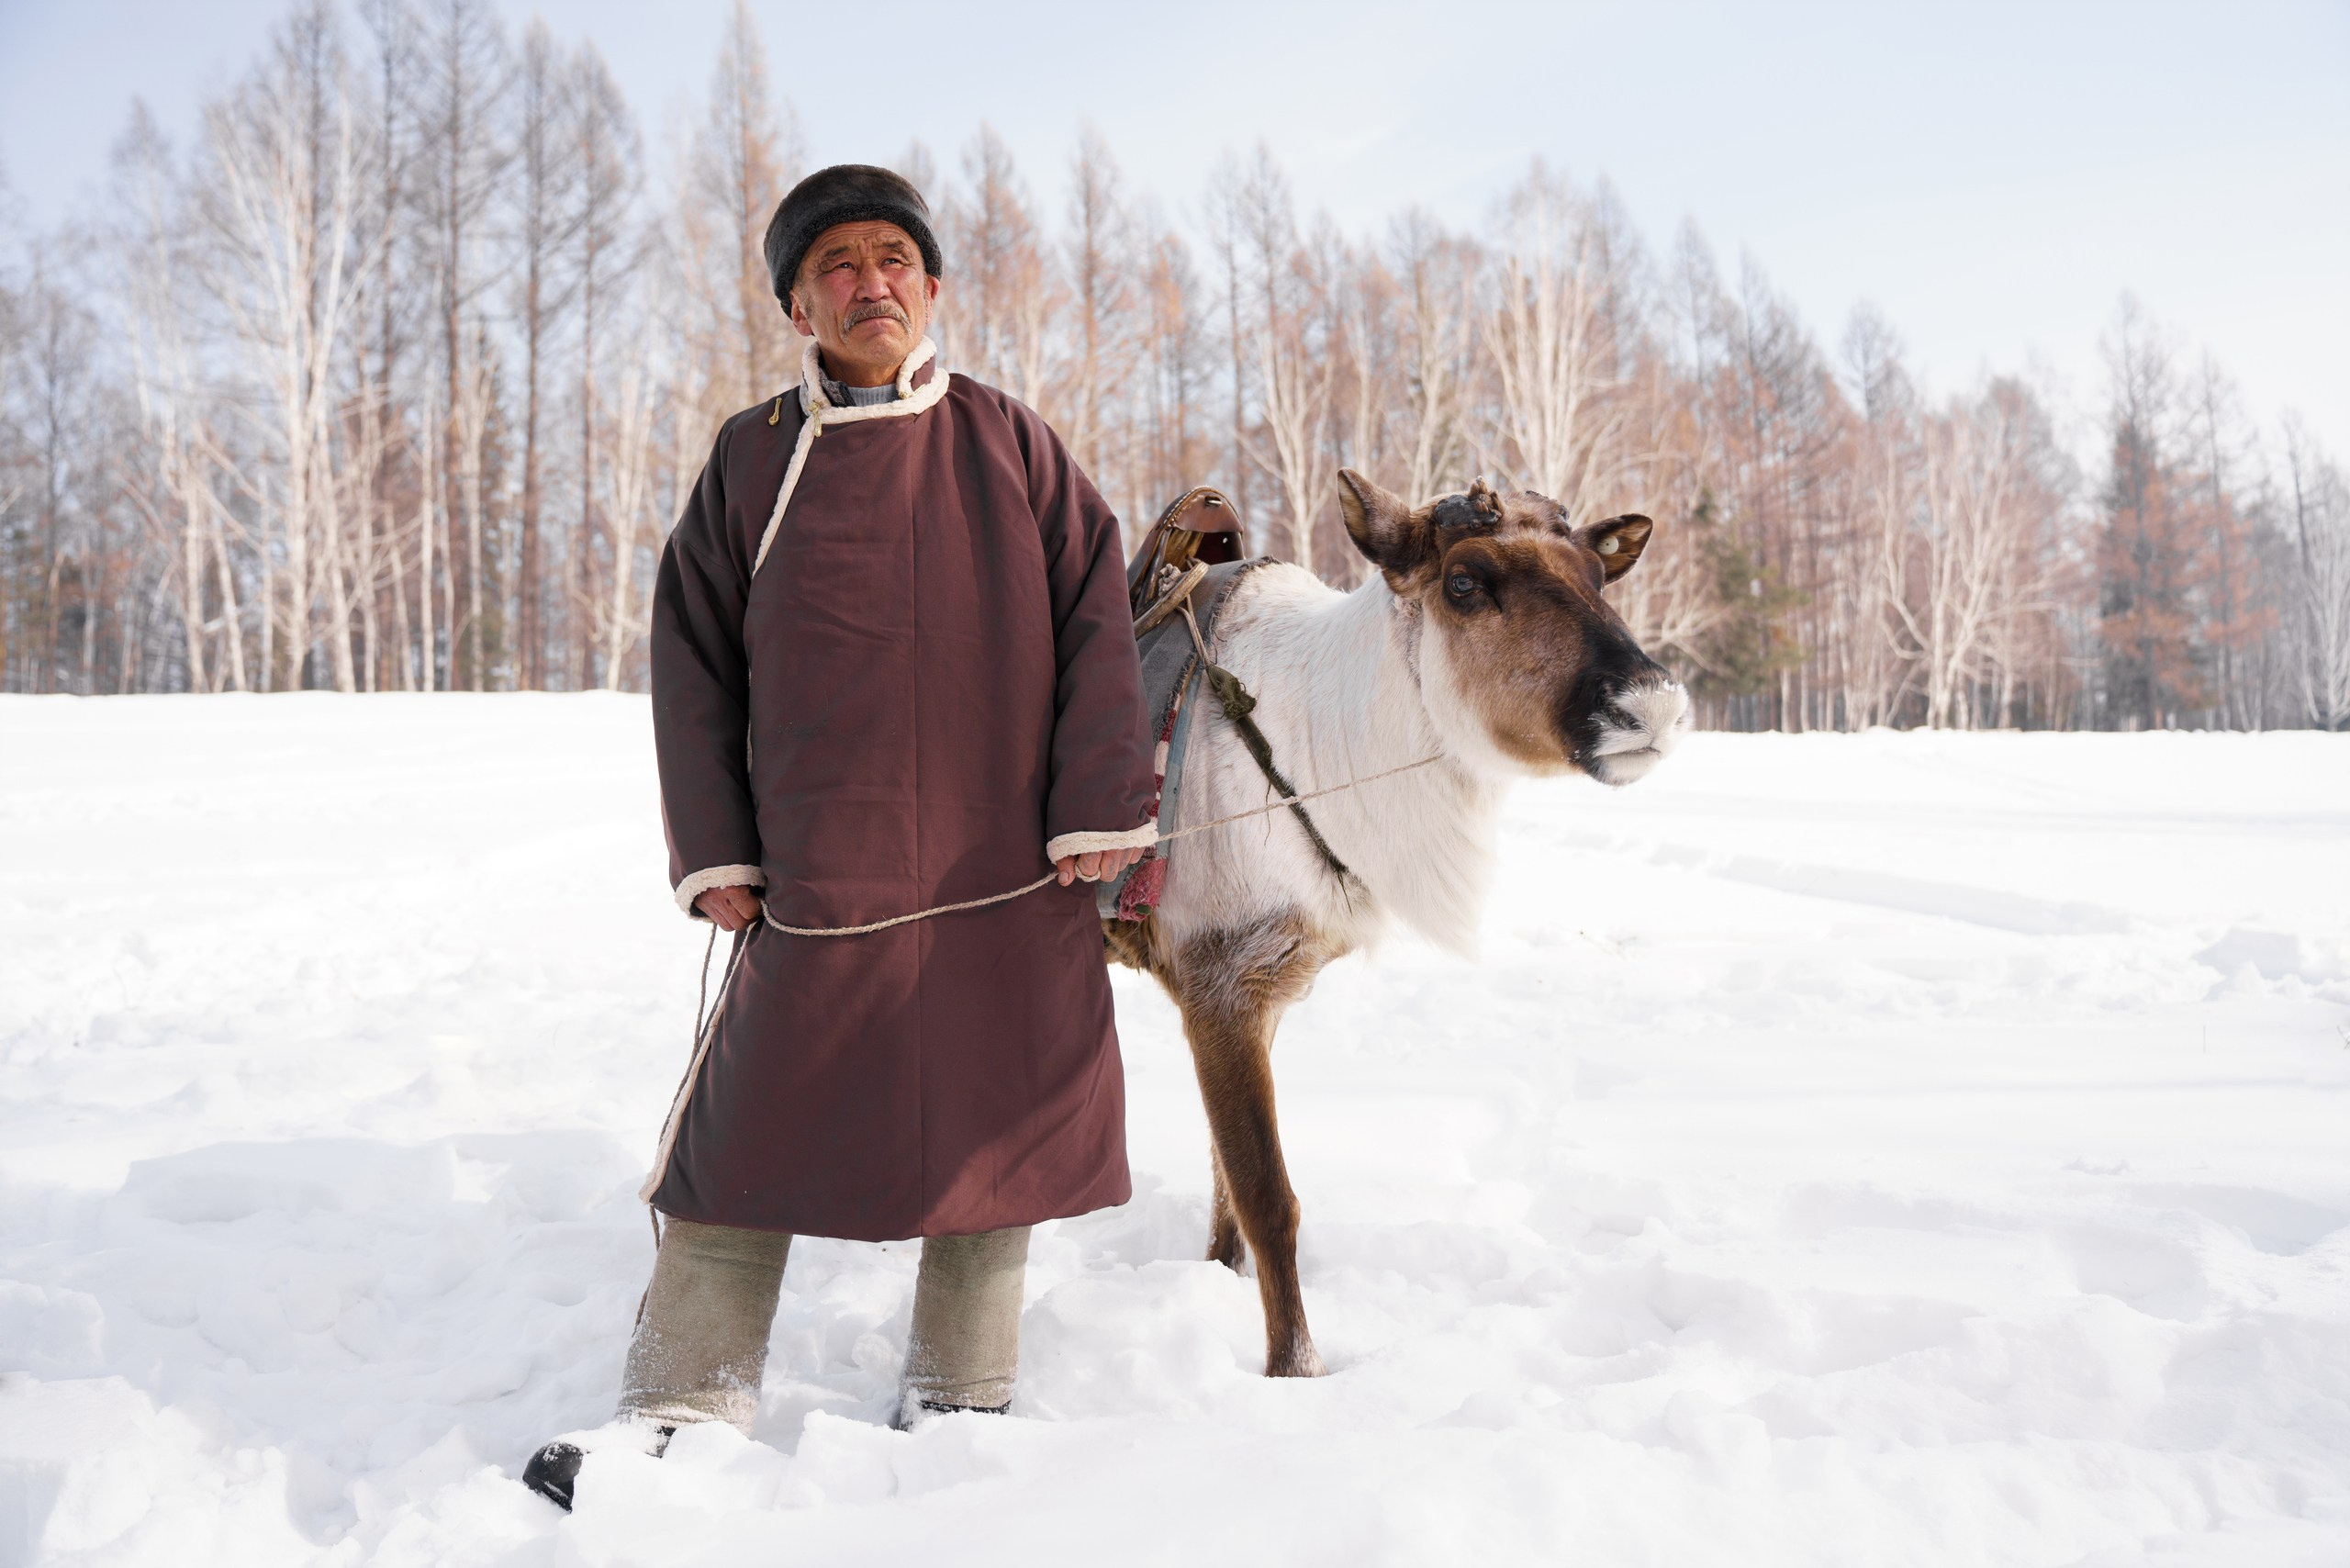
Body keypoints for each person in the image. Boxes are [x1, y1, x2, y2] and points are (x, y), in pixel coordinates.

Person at [523, 164, 1156, 1510]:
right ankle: (683, 1405)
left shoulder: (1018, 446)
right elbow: (692, 661)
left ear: (931, 287)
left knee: (999, 1125)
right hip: (821, 871)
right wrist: (720, 850)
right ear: (797, 304)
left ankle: (963, 1392)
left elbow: (1102, 624)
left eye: (893, 259)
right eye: (837, 266)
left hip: (1007, 864)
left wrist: (1102, 808)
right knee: (743, 1132)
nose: (871, 282)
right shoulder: (753, 456)